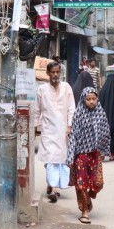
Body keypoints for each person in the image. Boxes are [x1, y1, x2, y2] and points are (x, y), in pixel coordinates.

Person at [66, 87, 111, 224]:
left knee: (97, 183)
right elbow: (73, 135)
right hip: (80, 154)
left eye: (93, 99)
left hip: (95, 154)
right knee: (81, 184)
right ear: (83, 100)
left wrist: (104, 151)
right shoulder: (78, 114)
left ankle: (90, 196)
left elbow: (105, 133)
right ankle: (84, 211)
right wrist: (69, 156)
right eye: (88, 99)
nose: (91, 102)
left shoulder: (100, 113)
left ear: (97, 99)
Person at [35, 61, 74, 203]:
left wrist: (70, 126)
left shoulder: (67, 87)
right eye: (53, 72)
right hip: (48, 129)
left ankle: (54, 185)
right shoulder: (42, 90)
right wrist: (36, 126)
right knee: (50, 159)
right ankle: (52, 186)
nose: (55, 75)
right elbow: (37, 110)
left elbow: (71, 108)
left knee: (61, 159)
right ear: (48, 74)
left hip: (63, 129)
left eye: (58, 72)